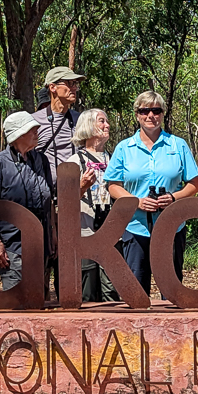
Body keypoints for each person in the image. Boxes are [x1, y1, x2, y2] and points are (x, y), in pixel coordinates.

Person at [105, 91, 198, 297]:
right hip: (135, 226)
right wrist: (136, 201)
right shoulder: (124, 148)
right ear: (137, 114)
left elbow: (194, 184)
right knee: (136, 290)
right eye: (144, 110)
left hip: (171, 226)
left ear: (163, 114)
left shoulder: (178, 145)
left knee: (172, 290)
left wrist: (174, 197)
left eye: (156, 110)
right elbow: (113, 185)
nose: (150, 115)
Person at [0, 111, 55, 291]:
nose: (37, 132)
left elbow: (49, 200)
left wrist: (54, 236)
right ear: (18, 135)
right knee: (16, 302)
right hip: (13, 246)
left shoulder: (41, 160)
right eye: (32, 129)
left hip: (41, 244)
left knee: (39, 299)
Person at [67, 108, 120, 302]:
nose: (107, 125)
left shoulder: (115, 160)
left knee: (112, 291)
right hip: (85, 234)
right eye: (101, 121)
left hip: (112, 234)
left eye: (107, 121)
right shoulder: (74, 162)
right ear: (88, 126)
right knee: (87, 292)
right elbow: (63, 205)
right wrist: (81, 187)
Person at [32, 66, 83, 187]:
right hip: (45, 194)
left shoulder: (81, 119)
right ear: (52, 87)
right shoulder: (34, 121)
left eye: (75, 83)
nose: (74, 88)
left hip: (78, 192)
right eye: (69, 83)